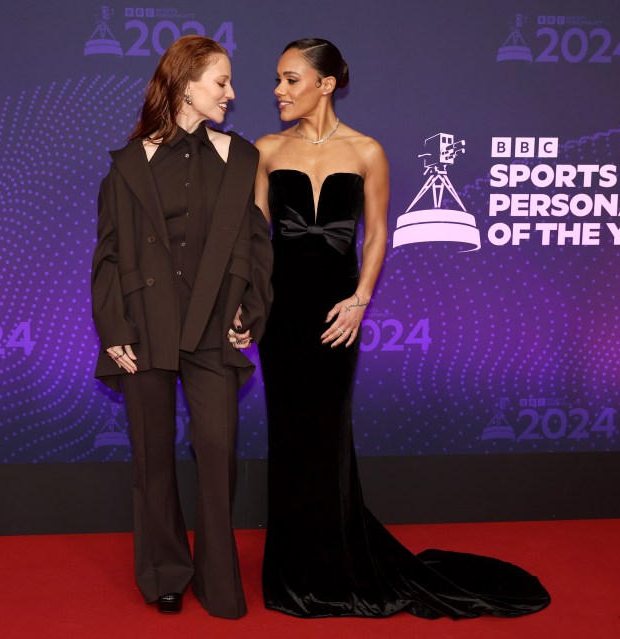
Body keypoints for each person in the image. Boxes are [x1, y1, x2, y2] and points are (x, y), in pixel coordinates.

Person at [254, 38, 550, 619]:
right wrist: (247, 302)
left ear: (326, 83)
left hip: (338, 314)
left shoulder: (368, 152)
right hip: (279, 313)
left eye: (290, 80)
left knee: (329, 433)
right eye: (278, 80)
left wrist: (360, 301)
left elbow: (379, 234)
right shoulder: (264, 150)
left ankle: (336, 561)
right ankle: (291, 571)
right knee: (288, 435)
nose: (279, 91)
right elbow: (253, 240)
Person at [90, 35, 273, 620]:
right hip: (144, 325)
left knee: (217, 451)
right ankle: (165, 572)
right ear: (185, 83)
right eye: (221, 82)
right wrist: (113, 324)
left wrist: (249, 305)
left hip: (216, 325)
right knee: (152, 456)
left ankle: (220, 579)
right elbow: (110, 254)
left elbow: (254, 242)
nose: (231, 93)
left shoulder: (241, 157)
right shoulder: (127, 164)